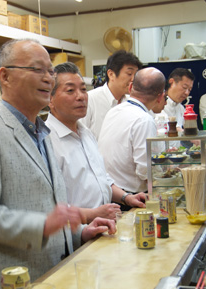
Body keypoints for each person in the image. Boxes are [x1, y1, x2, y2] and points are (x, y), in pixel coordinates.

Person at [0, 39, 115, 289]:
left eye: (50, 71)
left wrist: (80, 232)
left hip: (57, 278)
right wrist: (42, 225)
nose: (47, 78)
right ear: (5, 76)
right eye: (37, 70)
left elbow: (49, 205)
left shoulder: (41, 132)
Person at [46, 62, 146, 221]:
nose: (80, 96)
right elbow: (48, 205)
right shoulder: (47, 142)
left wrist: (126, 197)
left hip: (106, 225)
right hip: (77, 235)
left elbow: (102, 178)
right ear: (50, 99)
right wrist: (92, 215)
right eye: (70, 90)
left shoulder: (85, 133)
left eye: (84, 89)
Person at [98, 67, 166, 195]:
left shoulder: (114, 110)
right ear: (160, 97)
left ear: (130, 88)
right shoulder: (144, 120)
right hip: (131, 196)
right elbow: (145, 170)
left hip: (110, 191)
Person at [81, 50, 142, 140]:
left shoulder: (132, 102)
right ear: (111, 74)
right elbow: (80, 134)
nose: (133, 79)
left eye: (136, 74)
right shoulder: (90, 99)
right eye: (129, 74)